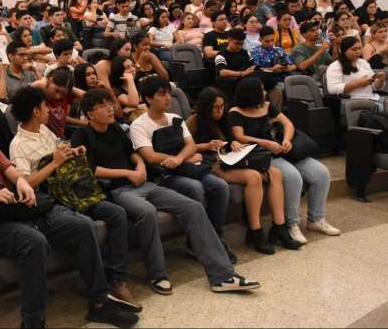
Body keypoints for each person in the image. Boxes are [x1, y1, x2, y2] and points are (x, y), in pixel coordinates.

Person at [0, 105, 140, 328]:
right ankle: (33, 321)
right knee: (33, 241)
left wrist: (22, 183)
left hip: (13, 211)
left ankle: (99, 302)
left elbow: (13, 173)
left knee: (81, 226)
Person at [71, 88, 260, 293]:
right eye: (103, 106)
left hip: (143, 183)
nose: (110, 109)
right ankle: (157, 274)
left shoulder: (115, 128)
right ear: (90, 113)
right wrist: (127, 174)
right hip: (117, 191)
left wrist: (140, 166)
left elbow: (133, 154)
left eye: (110, 104)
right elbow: (89, 169)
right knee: (147, 212)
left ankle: (222, 276)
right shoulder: (82, 135)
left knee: (193, 207)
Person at [10, 85, 140, 304]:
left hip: (72, 189)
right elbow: (26, 183)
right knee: (86, 224)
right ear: (35, 111)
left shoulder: (44, 130)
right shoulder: (18, 144)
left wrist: (72, 151)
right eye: (44, 106)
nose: (49, 110)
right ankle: (99, 289)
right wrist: (55, 163)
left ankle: (117, 279)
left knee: (116, 213)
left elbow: (60, 153)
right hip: (52, 199)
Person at [130, 77, 236, 259]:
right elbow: (150, 156)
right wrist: (184, 158)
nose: (168, 98)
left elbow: (191, 145)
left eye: (169, 94)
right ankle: (198, 242)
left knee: (220, 186)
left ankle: (215, 236)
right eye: (162, 94)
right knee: (194, 187)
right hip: (164, 175)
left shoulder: (176, 119)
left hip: (186, 168)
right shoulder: (139, 125)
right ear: (148, 98)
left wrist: (179, 159)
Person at [187, 86, 300, 254]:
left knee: (275, 173)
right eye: (215, 107)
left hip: (232, 160)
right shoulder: (193, 121)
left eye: (222, 106)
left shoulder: (225, 118)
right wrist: (206, 146)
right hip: (211, 163)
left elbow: (234, 139)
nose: (219, 111)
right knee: (254, 177)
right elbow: (183, 148)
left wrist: (233, 143)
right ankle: (255, 230)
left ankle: (279, 226)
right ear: (205, 107)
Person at [228, 77, 340, 245]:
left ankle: (315, 219)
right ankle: (291, 224)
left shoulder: (266, 106)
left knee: (321, 173)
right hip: (261, 155)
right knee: (293, 177)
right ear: (251, 93)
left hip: (282, 150)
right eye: (261, 89)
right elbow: (240, 137)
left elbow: (287, 124)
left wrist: (287, 140)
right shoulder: (235, 112)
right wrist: (266, 143)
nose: (265, 92)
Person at [326, 36, 387, 112]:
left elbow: (374, 87)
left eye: (359, 48)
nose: (358, 51)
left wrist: (380, 80)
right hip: (352, 101)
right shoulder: (335, 66)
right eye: (354, 49)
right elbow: (332, 89)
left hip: (371, 97)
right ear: (344, 51)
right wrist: (358, 83)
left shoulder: (363, 62)